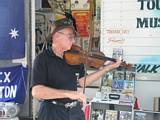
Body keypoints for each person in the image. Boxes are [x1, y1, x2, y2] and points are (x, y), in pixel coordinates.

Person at [31, 18, 122, 120]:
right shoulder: (43, 59)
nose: (74, 41)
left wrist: (106, 69)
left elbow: (82, 82)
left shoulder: (75, 56)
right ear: (56, 36)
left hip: (75, 113)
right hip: (52, 112)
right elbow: (36, 92)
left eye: (74, 37)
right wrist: (68, 93)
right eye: (70, 37)